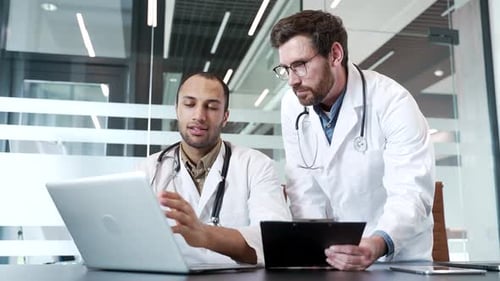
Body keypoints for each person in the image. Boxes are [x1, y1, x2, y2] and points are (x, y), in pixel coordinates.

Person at [270, 10, 435, 271]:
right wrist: (314, 248)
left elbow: (411, 193)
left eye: (300, 65)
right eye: (286, 69)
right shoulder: (293, 104)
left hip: (395, 260)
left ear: (335, 54)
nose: (292, 80)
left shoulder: (392, 101)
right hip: (331, 261)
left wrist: (376, 244)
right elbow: (302, 188)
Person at [137, 72, 291, 265]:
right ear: (177, 110)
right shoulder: (150, 170)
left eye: (211, 107)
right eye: (189, 104)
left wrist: (205, 234)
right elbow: (134, 239)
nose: (199, 116)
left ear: (225, 117)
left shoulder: (256, 165)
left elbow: (274, 240)